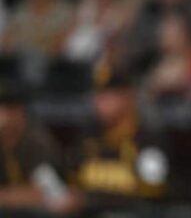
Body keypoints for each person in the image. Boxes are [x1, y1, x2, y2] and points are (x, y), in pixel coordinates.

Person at [70, 58, 169, 215]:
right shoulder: (89, 135)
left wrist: (92, 200)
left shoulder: (148, 139)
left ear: (128, 97)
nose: (99, 102)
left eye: (107, 96)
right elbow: (73, 185)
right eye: (97, 95)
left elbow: (152, 195)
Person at [0, 79, 79, 215]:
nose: (3, 116)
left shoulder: (35, 143)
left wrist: (8, 196)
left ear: (20, 111)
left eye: (8, 108)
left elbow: (56, 197)